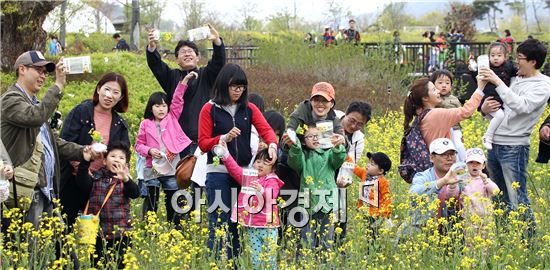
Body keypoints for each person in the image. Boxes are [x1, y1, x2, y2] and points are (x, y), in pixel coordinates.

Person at [198, 63, 277, 260]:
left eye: (241, 87)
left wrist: (272, 145)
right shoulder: (209, 109)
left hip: (244, 173)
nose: (238, 91)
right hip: (218, 172)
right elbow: (203, 142)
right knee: (217, 221)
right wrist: (223, 138)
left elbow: (266, 130)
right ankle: (214, 262)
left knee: (236, 221)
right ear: (224, 85)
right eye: (234, 86)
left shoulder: (248, 108)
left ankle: (234, 263)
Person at [1, 51, 88, 227]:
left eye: (45, 72)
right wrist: (57, 86)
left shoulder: (35, 103)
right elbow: (35, 117)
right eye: (38, 70)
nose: (43, 76)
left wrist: (83, 152)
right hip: (24, 190)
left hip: (45, 190)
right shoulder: (10, 100)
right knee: (29, 251)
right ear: (22, 69)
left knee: (62, 249)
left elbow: (54, 143)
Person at [478, 38, 550, 239]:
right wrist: (484, 111)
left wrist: (497, 81)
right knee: (497, 198)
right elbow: (501, 105)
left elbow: (521, 106)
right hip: (495, 145)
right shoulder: (516, 78)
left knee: (517, 198)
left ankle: (529, 243)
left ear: (533, 61)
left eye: (520, 59)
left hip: (514, 147)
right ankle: (504, 239)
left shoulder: (543, 85)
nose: (516, 62)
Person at [59, 72, 130, 228]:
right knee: (66, 229)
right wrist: (81, 168)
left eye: (116, 92)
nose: (109, 95)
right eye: (107, 89)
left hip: (100, 186)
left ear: (120, 97)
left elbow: (124, 155)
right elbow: (64, 142)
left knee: (95, 234)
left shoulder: (120, 124)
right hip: (72, 180)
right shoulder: (81, 111)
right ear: (98, 89)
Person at [135, 72, 197, 225]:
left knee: (172, 201)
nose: (161, 109)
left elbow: (177, 100)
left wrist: (184, 81)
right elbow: (138, 145)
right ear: (151, 108)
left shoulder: (172, 118)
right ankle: (149, 230)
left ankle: (174, 229)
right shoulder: (145, 124)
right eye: (157, 106)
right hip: (152, 168)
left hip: (171, 167)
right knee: (151, 202)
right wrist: (149, 151)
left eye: (164, 105)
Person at [283, 122, 346, 258]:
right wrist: (294, 145)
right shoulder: (303, 157)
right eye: (310, 136)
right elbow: (294, 160)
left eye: (317, 136)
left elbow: (339, 159)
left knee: (326, 241)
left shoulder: (329, 154)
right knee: (306, 241)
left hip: (328, 202)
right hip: (308, 202)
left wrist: (338, 147)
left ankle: (325, 266)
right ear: (304, 142)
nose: (315, 139)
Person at [76, 141, 139, 269]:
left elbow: (135, 193)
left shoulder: (125, 181)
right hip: (99, 235)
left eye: (121, 158)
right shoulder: (96, 178)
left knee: (121, 265)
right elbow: (82, 182)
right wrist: (85, 161)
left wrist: (126, 179)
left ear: (125, 164)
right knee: (99, 265)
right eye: (113, 156)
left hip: (122, 235)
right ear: (104, 161)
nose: (117, 160)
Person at [220, 144, 283, 270]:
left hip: (268, 227)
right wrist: (225, 154)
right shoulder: (248, 177)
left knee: (269, 260)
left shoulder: (273, 179)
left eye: (265, 163)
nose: (260, 165)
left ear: (273, 168)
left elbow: (272, 195)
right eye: (258, 161)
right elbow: (235, 170)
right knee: (255, 259)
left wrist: (261, 190)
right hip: (252, 227)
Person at [403, 76, 484, 150]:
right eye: (434, 90)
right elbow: (466, 111)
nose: (438, 91)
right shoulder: (437, 115)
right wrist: (480, 89)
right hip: (438, 163)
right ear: (425, 98)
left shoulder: (421, 113)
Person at [445, 148, 499, 248]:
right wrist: (452, 185)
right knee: (471, 246)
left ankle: (486, 263)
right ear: (465, 164)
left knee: (487, 245)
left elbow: (495, 191)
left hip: (486, 220)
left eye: (477, 163)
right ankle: (473, 264)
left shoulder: (485, 180)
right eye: (471, 163)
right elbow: (451, 195)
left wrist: (486, 181)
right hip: (469, 221)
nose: (474, 165)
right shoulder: (462, 180)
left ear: (483, 165)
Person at [468, 42, 518, 150]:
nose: (495, 58)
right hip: (489, 99)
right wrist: (472, 67)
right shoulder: (486, 67)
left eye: (499, 55)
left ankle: (494, 137)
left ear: (505, 57)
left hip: (501, 100)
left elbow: (516, 72)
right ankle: (488, 137)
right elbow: (477, 75)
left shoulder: (508, 66)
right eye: (492, 55)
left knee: (500, 118)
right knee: (499, 116)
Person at [409, 138, 460, 227]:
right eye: (444, 155)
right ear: (432, 158)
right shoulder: (422, 177)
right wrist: (442, 181)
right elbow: (413, 193)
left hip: (452, 231)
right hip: (423, 229)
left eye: (452, 154)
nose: (449, 158)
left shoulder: (461, 176)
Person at [354, 152, 392, 241]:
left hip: (375, 214)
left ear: (380, 171)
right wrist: (346, 157)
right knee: (367, 232)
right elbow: (355, 168)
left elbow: (386, 197)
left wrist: (386, 212)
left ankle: (372, 251)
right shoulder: (364, 173)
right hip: (364, 211)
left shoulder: (382, 182)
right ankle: (369, 250)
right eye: (369, 162)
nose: (368, 165)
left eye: (372, 164)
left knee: (373, 234)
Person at [430, 70, 466, 161]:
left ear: (451, 86)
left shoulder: (454, 99)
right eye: (440, 82)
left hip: (455, 128)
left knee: (459, 147)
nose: (444, 85)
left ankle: (463, 165)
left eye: (447, 83)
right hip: (440, 129)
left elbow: (462, 113)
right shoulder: (433, 99)